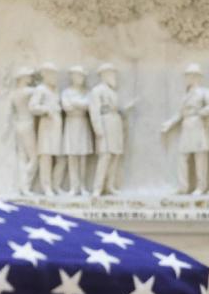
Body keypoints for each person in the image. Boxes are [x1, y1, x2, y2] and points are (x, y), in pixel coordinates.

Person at [161, 63, 209, 195]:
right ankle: (183, 186)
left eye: (189, 76)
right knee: (182, 156)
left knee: (200, 156)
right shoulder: (186, 95)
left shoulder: (204, 92)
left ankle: (201, 187)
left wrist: (200, 112)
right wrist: (169, 123)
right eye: (186, 76)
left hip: (198, 126)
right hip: (187, 126)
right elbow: (180, 113)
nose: (187, 79)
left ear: (196, 77)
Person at [89, 63, 134, 197]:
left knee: (115, 155)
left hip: (115, 124)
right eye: (111, 74)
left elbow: (117, 109)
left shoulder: (113, 92)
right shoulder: (97, 91)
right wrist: (98, 129)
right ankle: (97, 188)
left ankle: (109, 186)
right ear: (104, 75)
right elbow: (94, 110)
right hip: (105, 124)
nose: (114, 77)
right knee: (105, 156)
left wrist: (127, 108)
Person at [30, 63, 65, 197]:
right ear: (46, 75)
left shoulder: (55, 90)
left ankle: (56, 185)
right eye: (53, 74)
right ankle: (46, 187)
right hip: (46, 126)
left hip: (57, 125)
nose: (55, 77)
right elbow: (32, 106)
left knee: (61, 158)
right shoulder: (41, 89)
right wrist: (45, 110)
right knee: (46, 157)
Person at [60, 65, 94, 195]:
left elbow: (88, 105)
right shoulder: (66, 92)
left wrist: (76, 103)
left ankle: (83, 186)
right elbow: (66, 107)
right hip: (71, 123)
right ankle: (74, 187)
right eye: (77, 76)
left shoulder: (87, 92)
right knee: (72, 156)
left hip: (82, 123)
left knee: (82, 156)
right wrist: (80, 103)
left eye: (81, 76)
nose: (80, 78)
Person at [11, 67, 38, 195]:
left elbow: (10, 113)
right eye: (28, 76)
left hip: (18, 124)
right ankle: (25, 185)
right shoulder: (28, 91)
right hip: (27, 124)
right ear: (22, 78)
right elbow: (41, 90)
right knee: (34, 157)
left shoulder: (14, 93)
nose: (30, 78)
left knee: (22, 156)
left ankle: (21, 185)